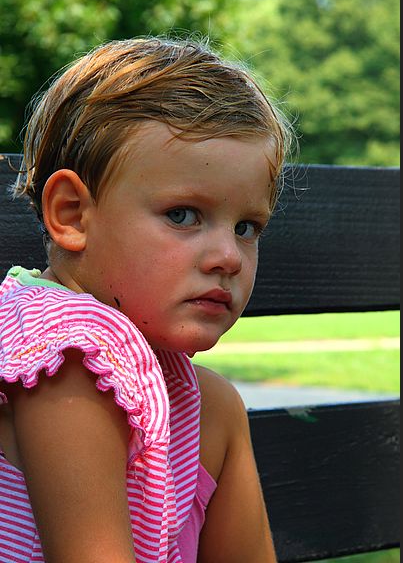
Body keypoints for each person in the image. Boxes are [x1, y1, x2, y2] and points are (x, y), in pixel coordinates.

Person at [0, 37, 292, 562]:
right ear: (71, 215)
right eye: (182, 215)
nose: (227, 256)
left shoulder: (212, 410)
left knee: (217, 403)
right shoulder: (63, 359)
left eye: (248, 227)